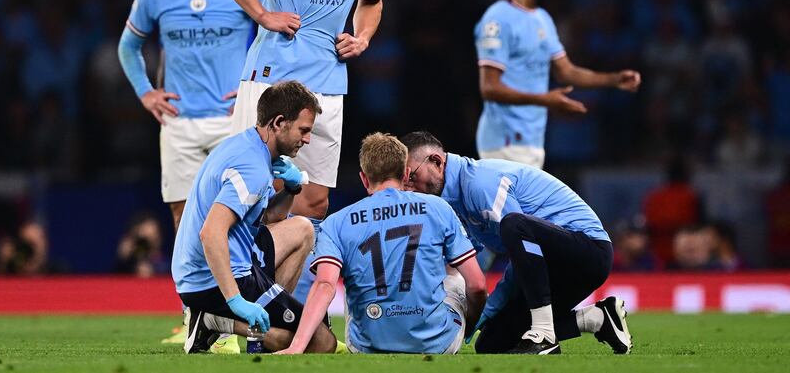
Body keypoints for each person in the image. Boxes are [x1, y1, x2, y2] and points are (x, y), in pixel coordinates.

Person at [208, 0, 402, 229]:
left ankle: (281, 285)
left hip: (329, 80)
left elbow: (372, 1)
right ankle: (239, 281)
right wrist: (262, 15)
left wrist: (361, 37)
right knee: (255, 192)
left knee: (314, 203)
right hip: (275, 74)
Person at [118, 0, 266, 351]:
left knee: (234, 224)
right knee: (185, 224)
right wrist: (146, 92)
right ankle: (197, 321)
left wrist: (252, 89)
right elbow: (128, 47)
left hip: (232, 126)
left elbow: (276, 36)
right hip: (180, 125)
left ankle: (231, 316)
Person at [400, 131, 632, 355]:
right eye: (403, 181)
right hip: (550, 263)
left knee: (513, 225)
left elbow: (521, 246)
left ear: (437, 161)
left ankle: (544, 334)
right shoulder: (455, 200)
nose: (408, 187)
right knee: (492, 341)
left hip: (589, 251)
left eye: (412, 176)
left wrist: (485, 309)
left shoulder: (480, 184)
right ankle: (598, 318)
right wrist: (461, 317)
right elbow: (471, 261)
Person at [277, 133, 486, 354]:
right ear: (406, 174)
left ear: (364, 179)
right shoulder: (438, 207)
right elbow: (478, 285)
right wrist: (468, 325)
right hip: (437, 344)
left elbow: (324, 286)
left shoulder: (336, 222)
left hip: (366, 347)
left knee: (353, 282)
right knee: (454, 277)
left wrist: (297, 347)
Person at [172, 81, 336, 354]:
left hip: (213, 265)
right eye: (304, 130)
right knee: (320, 342)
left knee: (302, 229)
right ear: (279, 122)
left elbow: (269, 217)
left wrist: (292, 189)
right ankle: (213, 321)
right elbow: (210, 233)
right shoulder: (252, 168)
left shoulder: (248, 146)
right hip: (210, 280)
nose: (307, 139)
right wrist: (236, 301)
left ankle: (266, 312)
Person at [474, 0, 641, 169]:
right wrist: (546, 100)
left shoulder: (542, 19)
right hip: (505, 141)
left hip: (533, 143)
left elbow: (566, 72)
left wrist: (613, 79)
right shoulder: (498, 19)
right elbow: (489, 87)